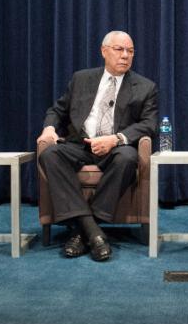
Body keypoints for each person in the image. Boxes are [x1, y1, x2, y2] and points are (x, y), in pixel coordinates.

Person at [37, 31, 158, 261]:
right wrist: (49, 128)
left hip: (115, 147)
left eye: (130, 51)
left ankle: (81, 232)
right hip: (80, 144)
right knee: (50, 154)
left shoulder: (145, 87)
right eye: (119, 49)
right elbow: (57, 110)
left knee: (128, 158)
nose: (125, 55)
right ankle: (93, 233)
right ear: (104, 51)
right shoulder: (81, 79)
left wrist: (115, 139)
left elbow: (149, 124)